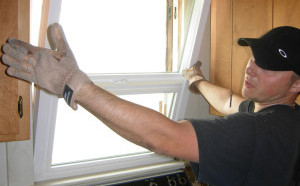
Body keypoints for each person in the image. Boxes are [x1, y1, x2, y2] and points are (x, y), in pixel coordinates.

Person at [1, 23, 300, 185]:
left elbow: (165, 137)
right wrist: (196, 80)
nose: (252, 68)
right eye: (255, 56)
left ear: (297, 84)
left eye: (269, 66)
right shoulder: (281, 115)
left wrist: (73, 83)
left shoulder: (262, 130)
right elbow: (229, 102)